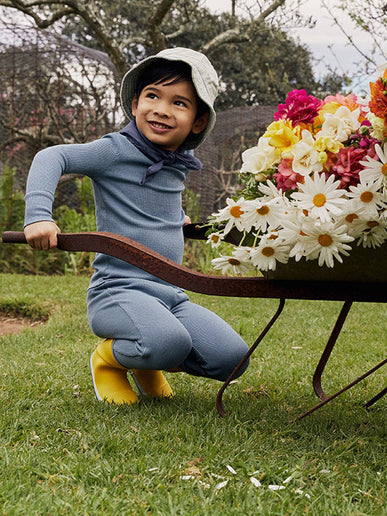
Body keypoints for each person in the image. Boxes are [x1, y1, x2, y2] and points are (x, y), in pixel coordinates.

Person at [23, 47, 249, 405]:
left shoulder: (175, 163)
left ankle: (149, 358)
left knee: (232, 359)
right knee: (169, 341)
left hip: (171, 296)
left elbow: (149, 202)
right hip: (119, 291)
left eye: (179, 103)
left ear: (198, 121)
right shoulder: (116, 150)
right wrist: (38, 215)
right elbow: (52, 156)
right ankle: (111, 361)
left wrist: (175, 220)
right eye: (153, 96)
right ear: (134, 104)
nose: (161, 109)